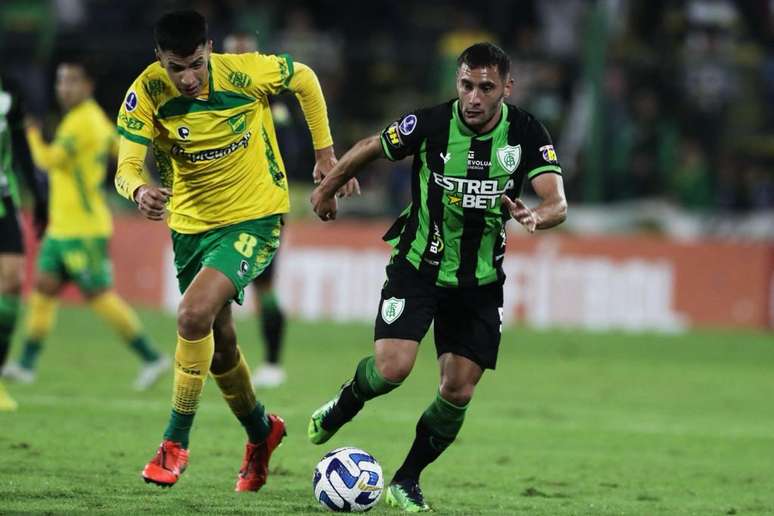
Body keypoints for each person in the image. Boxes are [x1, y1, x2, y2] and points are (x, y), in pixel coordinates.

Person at [308, 42, 567, 511]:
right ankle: (346, 403)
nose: (473, 97)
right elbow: (372, 147)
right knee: (392, 370)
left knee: (457, 389)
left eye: (486, 87)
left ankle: (406, 479)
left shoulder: (527, 131)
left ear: (506, 87)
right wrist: (326, 190)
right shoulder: (429, 124)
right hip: (418, 267)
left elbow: (557, 201)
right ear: (457, 83)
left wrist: (536, 217)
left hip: (480, 281)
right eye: (466, 85)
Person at [114, 10, 356, 490]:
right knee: (220, 344)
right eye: (175, 67)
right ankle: (262, 432)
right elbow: (126, 166)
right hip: (189, 227)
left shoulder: (243, 72)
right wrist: (138, 191)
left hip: (255, 216)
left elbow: (304, 77)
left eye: (196, 64)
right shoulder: (145, 94)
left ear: (210, 49)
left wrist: (325, 153)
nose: (187, 77)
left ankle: (174, 442)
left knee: (191, 315)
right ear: (159, 59)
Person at [2, 58, 169, 391]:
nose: (64, 88)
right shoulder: (93, 120)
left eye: (72, 81)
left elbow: (46, 161)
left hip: (83, 228)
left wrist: (29, 131)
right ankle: (26, 364)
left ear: (88, 86)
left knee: (98, 296)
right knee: (44, 289)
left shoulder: (81, 123)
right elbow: (122, 150)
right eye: (61, 81)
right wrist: (146, 184)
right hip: (64, 227)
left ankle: (152, 357)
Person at [223, 31, 289, 389]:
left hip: (264, 203)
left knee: (264, 288)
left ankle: (273, 362)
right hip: (223, 205)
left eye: (245, 54)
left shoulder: (273, 104)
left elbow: (290, 152)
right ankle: (220, 360)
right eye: (233, 55)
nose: (239, 62)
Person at [0, 73, 48, 411]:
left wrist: (39, 198)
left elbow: (20, 148)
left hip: (3, 199)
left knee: (14, 281)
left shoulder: (8, 91)